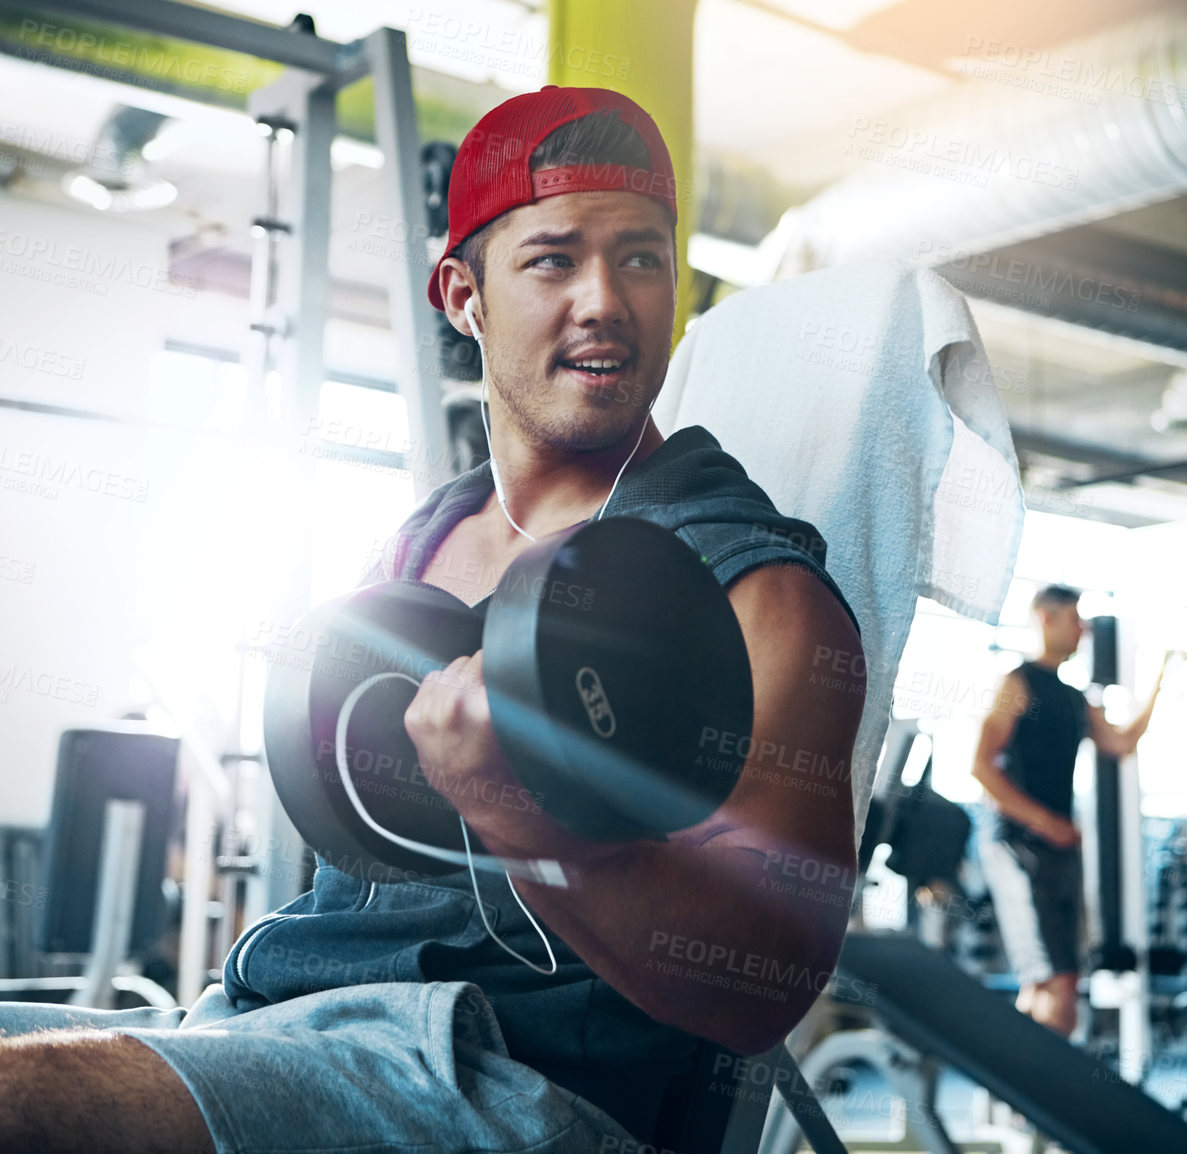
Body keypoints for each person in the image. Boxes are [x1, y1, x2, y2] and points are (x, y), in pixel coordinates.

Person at [0, 87, 866, 1154]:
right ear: (463, 294)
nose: (604, 299)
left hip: (497, 1076)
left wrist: (536, 824)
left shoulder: (756, 587)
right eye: (553, 259)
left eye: (640, 258)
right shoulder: (424, 539)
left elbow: (767, 983)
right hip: (280, 1014)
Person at [971, 584, 1170, 1036]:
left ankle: (1011, 1097)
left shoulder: (1073, 697)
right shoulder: (1016, 683)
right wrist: (1045, 823)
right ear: (1046, 618)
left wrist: (1160, 679)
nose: (1082, 630)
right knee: (1056, 986)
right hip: (1018, 844)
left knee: (1053, 982)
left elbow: (1120, 742)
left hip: (1058, 846)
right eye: (1074, 619)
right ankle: (1035, 1101)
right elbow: (981, 767)